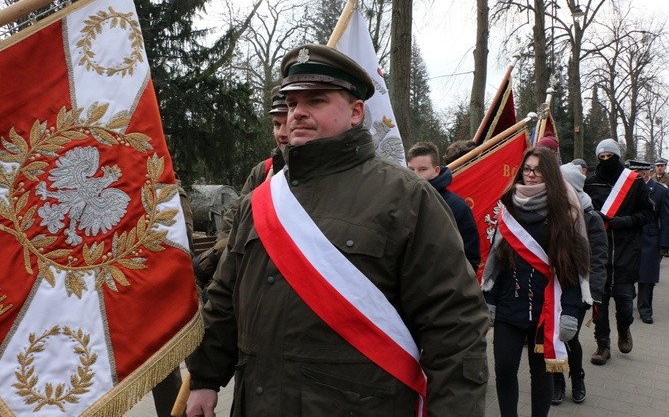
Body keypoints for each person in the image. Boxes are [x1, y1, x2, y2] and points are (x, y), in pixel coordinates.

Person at [185, 44, 490, 416]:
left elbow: (454, 325)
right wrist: (204, 379)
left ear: (356, 112)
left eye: (316, 101)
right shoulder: (258, 203)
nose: (297, 113)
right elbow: (224, 300)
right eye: (292, 102)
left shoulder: (407, 198)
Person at [482, 146, 589, 417]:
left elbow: (572, 270)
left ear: (549, 174)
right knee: (504, 369)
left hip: (546, 310)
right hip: (509, 305)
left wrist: (571, 311)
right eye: (527, 169)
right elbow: (497, 258)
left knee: (541, 374)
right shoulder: (508, 206)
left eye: (537, 170)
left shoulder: (564, 214)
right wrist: (489, 299)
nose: (530, 175)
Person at [191, 87, 288, 298]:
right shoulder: (261, 172)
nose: (281, 133)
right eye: (276, 124)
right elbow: (232, 223)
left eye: (287, 123)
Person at [584, 139, 653, 365]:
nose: (606, 160)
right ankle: (602, 344)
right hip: (598, 252)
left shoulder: (633, 182)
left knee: (624, 302)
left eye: (609, 156)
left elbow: (648, 213)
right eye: (601, 157)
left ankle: (624, 329)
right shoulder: (591, 182)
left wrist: (623, 221)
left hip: (626, 251)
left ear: (617, 156)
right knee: (599, 302)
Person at [551, 163, 608, 406]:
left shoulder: (590, 217)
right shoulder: (551, 212)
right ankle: (557, 381)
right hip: (553, 286)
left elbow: (598, 257)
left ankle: (578, 378)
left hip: (578, 287)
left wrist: (594, 292)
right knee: (552, 336)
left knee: (569, 335)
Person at [151, 183, 194, 417]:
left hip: (178, 288)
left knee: (195, 363)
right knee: (164, 371)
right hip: (155, 296)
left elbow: (183, 239)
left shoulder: (172, 191)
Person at [407, 141, 481, 270]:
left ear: (436, 170)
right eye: (411, 169)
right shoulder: (399, 202)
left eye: (422, 169)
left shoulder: (457, 207)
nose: (416, 175)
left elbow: (470, 257)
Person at [628, 160, 669, 324]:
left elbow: (666, 219)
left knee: (647, 278)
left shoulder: (660, 191)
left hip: (650, 239)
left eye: (636, 174)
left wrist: (664, 245)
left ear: (644, 174)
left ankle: (645, 310)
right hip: (629, 238)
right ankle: (627, 302)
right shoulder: (626, 189)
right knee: (627, 273)